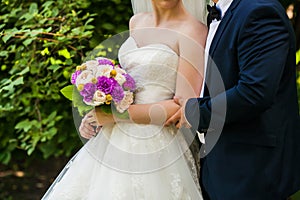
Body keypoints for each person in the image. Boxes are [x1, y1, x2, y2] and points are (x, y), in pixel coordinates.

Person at [41, 0, 208, 199]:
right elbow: (129, 86)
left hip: (157, 145)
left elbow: (182, 109)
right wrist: (99, 110)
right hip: (113, 140)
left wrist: (113, 115)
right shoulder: (136, 22)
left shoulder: (193, 30)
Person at [166, 0, 300, 199]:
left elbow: (254, 92)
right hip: (218, 163)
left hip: (253, 169)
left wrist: (194, 112)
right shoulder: (215, 16)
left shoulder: (259, 11)